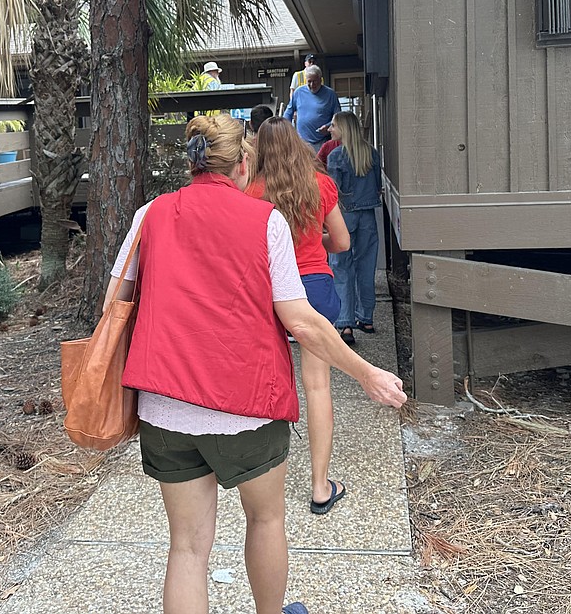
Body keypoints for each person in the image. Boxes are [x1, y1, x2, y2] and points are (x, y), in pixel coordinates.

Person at [104, 113, 406, 614]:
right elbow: (302, 322)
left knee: (186, 548)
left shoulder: (149, 215)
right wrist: (366, 372)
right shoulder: (265, 221)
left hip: (164, 405)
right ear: (244, 162)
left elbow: (116, 302)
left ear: (193, 161)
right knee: (265, 522)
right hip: (248, 404)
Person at [247, 116, 352, 518]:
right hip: (314, 287)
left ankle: (258, 482)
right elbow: (340, 241)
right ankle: (321, 486)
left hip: (268, 293)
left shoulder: (251, 190)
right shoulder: (320, 185)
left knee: (265, 383)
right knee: (318, 388)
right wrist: (313, 238)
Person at [327, 111, 383, 344]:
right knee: (366, 266)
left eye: (333, 125)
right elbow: (378, 185)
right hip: (368, 216)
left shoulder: (336, 156)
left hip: (345, 216)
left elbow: (333, 192)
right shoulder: (371, 152)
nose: (330, 129)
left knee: (341, 267)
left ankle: (346, 323)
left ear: (343, 129)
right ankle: (366, 318)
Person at [283, 64, 341, 148]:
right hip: (302, 141)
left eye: (315, 81)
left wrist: (328, 126)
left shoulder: (330, 94)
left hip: (323, 141)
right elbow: (289, 112)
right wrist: (285, 128)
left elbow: (338, 116)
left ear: (320, 80)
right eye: (309, 81)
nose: (312, 84)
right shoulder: (299, 92)